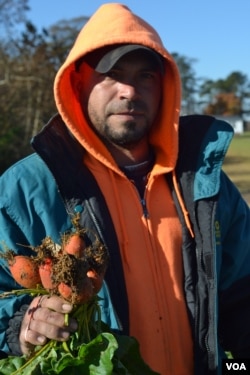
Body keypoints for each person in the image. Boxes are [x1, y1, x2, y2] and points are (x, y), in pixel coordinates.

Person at [0, 3, 250, 374]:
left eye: (145, 75)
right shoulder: (23, 190)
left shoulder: (205, 182)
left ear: (164, 87)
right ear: (80, 84)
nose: (129, 91)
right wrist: (22, 326)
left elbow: (242, 295)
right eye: (113, 74)